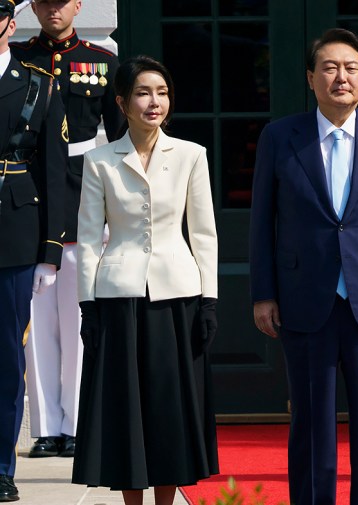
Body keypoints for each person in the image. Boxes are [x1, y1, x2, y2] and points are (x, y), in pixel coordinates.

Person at [249, 28, 358, 505]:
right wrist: (264, 293)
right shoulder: (281, 137)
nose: (340, 77)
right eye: (329, 67)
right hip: (305, 300)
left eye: (350, 68)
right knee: (311, 422)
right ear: (310, 78)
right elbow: (263, 221)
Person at [73, 55, 219, 505]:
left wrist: (210, 299)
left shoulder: (193, 155)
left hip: (178, 297)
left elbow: (204, 232)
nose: (154, 102)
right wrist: (88, 305)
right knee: (127, 412)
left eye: (162, 92)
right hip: (119, 299)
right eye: (142, 93)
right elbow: (88, 239)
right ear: (121, 102)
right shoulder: (100, 161)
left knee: (169, 412)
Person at [11, 0, 123, 460]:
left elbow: (117, 141)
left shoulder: (103, 62)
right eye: (44, 2)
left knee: (78, 317)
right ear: (33, 6)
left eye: (61, 1)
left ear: (78, 5)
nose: (53, 10)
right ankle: (46, 428)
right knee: (38, 321)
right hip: (31, 189)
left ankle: (76, 422)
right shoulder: (18, 59)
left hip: (81, 191)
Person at [0, 0, 66, 500]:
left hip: (14, 231)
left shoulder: (38, 83)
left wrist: (50, 251)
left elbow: (53, 171)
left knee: (5, 357)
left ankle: (0, 467)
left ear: (10, 23)